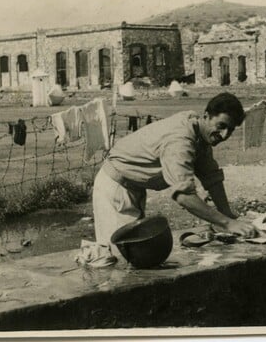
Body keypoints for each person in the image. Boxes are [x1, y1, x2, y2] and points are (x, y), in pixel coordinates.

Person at [93, 92, 257, 253]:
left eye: (230, 130)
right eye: (221, 126)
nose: (224, 135)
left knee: (136, 250)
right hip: (115, 188)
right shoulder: (180, 141)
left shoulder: (200, 131)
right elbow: (183, 195)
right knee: (119, 253)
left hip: (134, 187)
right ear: (206, 116)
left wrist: (226, 213)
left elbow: (211, 176)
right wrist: (227, 224)